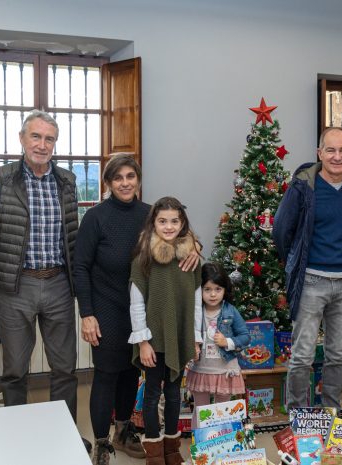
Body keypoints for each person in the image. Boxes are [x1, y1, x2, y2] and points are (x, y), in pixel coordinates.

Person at [74, 155, 196, 463]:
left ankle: (124, 431)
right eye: (118, 178)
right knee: (106, 374)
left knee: (132, 372)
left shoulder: (149, 213)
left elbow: (177, 231)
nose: (125, 182)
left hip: (143, 308)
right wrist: (86, 313)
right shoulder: (95, 218)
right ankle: (101, 442)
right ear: (109, 182)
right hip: (106, 308)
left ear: (138, 179)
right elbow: (80, 267)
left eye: (131, 176)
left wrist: (195, 246)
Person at [0, 110, 83, 441]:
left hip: (58, 284)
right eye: (35, 137)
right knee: (14, 371)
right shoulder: (2, 178)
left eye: (49, 138)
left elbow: (72, 233)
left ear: (55, 143)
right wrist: (4, 267)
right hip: (15, 286)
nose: (42, 144)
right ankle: (17, 437)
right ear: (22, 139)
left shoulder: (67, 181)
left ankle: (62, 436)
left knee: (65, 368)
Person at [273, 127, 342, 410]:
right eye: (330, 150)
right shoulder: (304, 186)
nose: (337, 156)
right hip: (312, 282)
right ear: (320, 153)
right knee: (302, 355)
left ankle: (331, 410)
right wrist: (295, 260)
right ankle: (298, 413)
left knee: (337, 355)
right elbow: (281, 229)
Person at [128, 197, 202, 465]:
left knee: (174, 395)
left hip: (179, 337)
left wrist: (194, 338)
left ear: (182, 223)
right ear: (153, 223)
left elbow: (195, 303)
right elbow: (136, 304)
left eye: (174, 221)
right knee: (151, 394)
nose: (168, 226)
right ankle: (154, 454)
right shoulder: (143, 258)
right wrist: (143, 342)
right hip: (153, 339)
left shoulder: (191, 260)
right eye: (162, 221)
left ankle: (172, 450)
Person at [186, 262, 250, 429]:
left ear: (224, 289)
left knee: (223, 413)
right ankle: (200, 449)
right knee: (201, 412)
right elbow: (184, 333)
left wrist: (228, 342)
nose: (213, 294)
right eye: (207, 289)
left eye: (218, 289)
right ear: (199, 290)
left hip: (224, 371)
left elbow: (245, 336)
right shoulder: (194, 310)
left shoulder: (230, 311)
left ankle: (222, 448)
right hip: (201, 369)